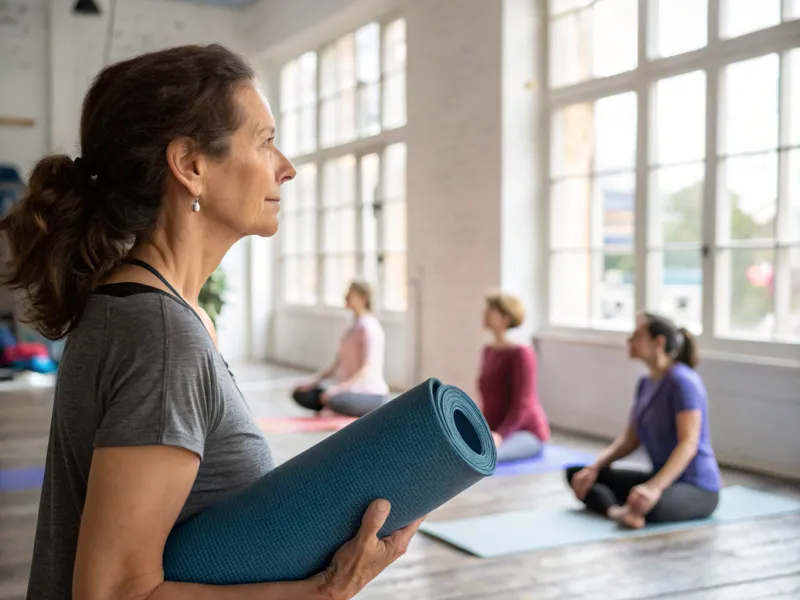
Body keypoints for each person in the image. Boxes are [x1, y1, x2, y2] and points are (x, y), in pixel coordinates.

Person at [2, 44, 422, 600]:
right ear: (191, 166)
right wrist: (324, 590)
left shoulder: (151, 308)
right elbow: (113, 594)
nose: (287, 167)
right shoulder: (163, 336)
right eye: (265, 141)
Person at [566, 312, 722, 529]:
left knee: (650, 506)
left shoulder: (683, 381)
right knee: (576, 474)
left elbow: (689, 444)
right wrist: (594, 467)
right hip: (660, 476)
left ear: (659, 342)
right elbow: (630, 440)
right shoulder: (645, 383)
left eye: (637, 335)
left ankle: (630, 509)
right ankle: (617, 512)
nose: (629, 340)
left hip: (696, 486)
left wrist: (654, 487)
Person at [293, 280, 390, 418]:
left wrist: (339, 390)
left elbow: (366, 368)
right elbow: (337, 363)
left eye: (350, 294)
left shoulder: (369, 327)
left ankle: (334, 404)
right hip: (347, 390)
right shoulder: (350, 327)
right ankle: (332, 403)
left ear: (363, 298)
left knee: (335, 399)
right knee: (300, 393)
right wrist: (313, 382)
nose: (346, 297)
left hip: (369, 394)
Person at [478, 293, 550, 462]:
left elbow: (522, 406)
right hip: (496, 429)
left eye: (491, 310)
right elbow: (489, 401)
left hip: (525, 432)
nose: (485, 313)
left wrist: (500, 436)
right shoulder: (489, 350)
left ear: (506, 318)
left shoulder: (521, 354)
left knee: (486, 458)